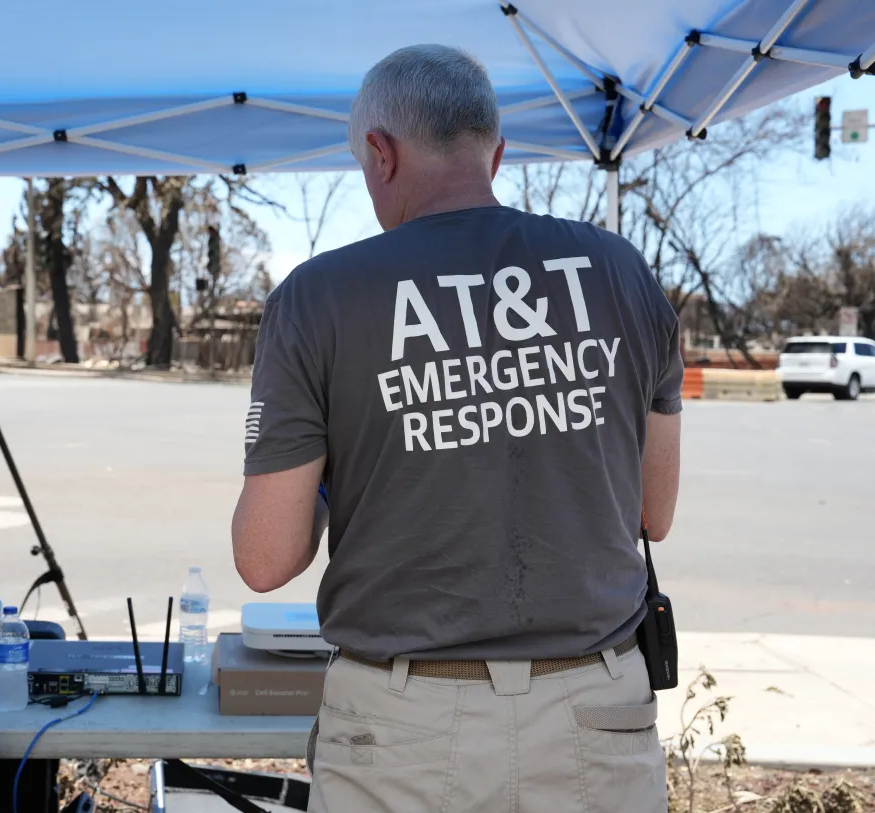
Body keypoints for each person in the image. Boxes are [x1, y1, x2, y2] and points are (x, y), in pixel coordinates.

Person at [231, 45, 682, 813]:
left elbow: (267, 558)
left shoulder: (320, 298)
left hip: (403, 729)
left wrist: (346, 464)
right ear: (495, 152)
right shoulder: (620, 271)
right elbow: (652, 513)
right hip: (592, 713)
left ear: (380, 153)